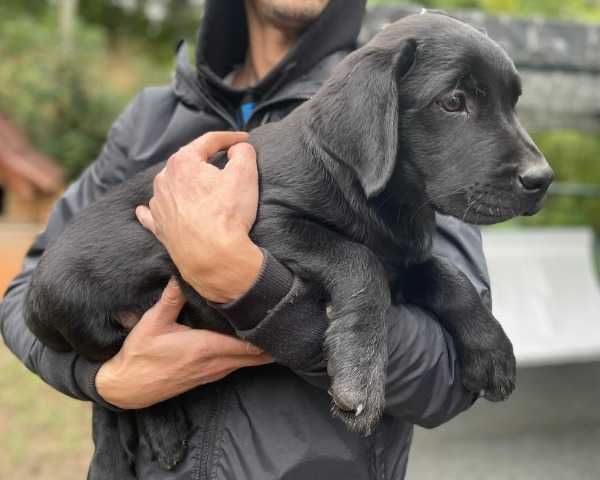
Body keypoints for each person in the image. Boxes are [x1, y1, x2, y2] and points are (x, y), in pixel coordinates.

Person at [0, 0, 492, 478]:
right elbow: (25, 296)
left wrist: (250, 286)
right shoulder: (150, 119)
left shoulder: (407, 96)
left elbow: (448, 376)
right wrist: (107, 380)